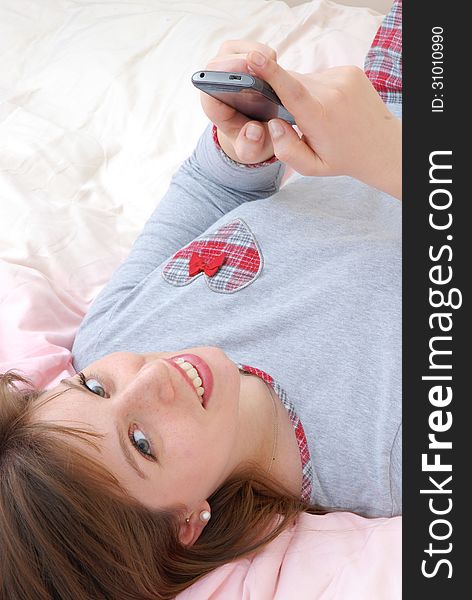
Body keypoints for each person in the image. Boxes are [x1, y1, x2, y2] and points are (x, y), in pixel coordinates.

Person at [0, 2, 402, 598]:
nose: (149, 375)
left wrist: (242, 143)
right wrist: (393, 157)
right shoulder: (391, 451)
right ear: (186, 523)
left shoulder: (110, 338)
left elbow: (209, 188)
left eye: (93, 388)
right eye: (141, 442)